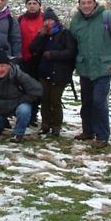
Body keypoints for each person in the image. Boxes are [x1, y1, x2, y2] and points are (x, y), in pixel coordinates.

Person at [70, 0, 111, 148]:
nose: (86, 5)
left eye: (89, 2)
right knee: (87, 101)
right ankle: (88, 130)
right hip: (85, 67)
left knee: (99, 101)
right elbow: (73, 41)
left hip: (104, 67)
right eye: (83, 3)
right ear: (79, 5)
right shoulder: (76, 20)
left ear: (94, 3)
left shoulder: (107, 17)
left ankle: (102, 136)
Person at [29, 8, 77, 136]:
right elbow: (32, 48)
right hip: (44, 72)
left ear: (56, 21)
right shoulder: (44, 36)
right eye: (46, 20)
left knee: (55, 100)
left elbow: (70, 52)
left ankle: (56, 126)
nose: (48, 23)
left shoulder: (65, 34)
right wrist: (41, 34)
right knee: (44, 99)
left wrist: (53, 55)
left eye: (51, 20)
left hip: (59, 74)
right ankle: (45, 124)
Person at [18, 0, 44, 126]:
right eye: (29, 3)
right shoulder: (20, 19)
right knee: (25, 88)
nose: (32, 6)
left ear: (39, 5)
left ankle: (34, 114)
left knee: (38, 88)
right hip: (24, 60)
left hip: (40, 60)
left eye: (35, 3)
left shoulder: (45, 19)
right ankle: (26, 115)